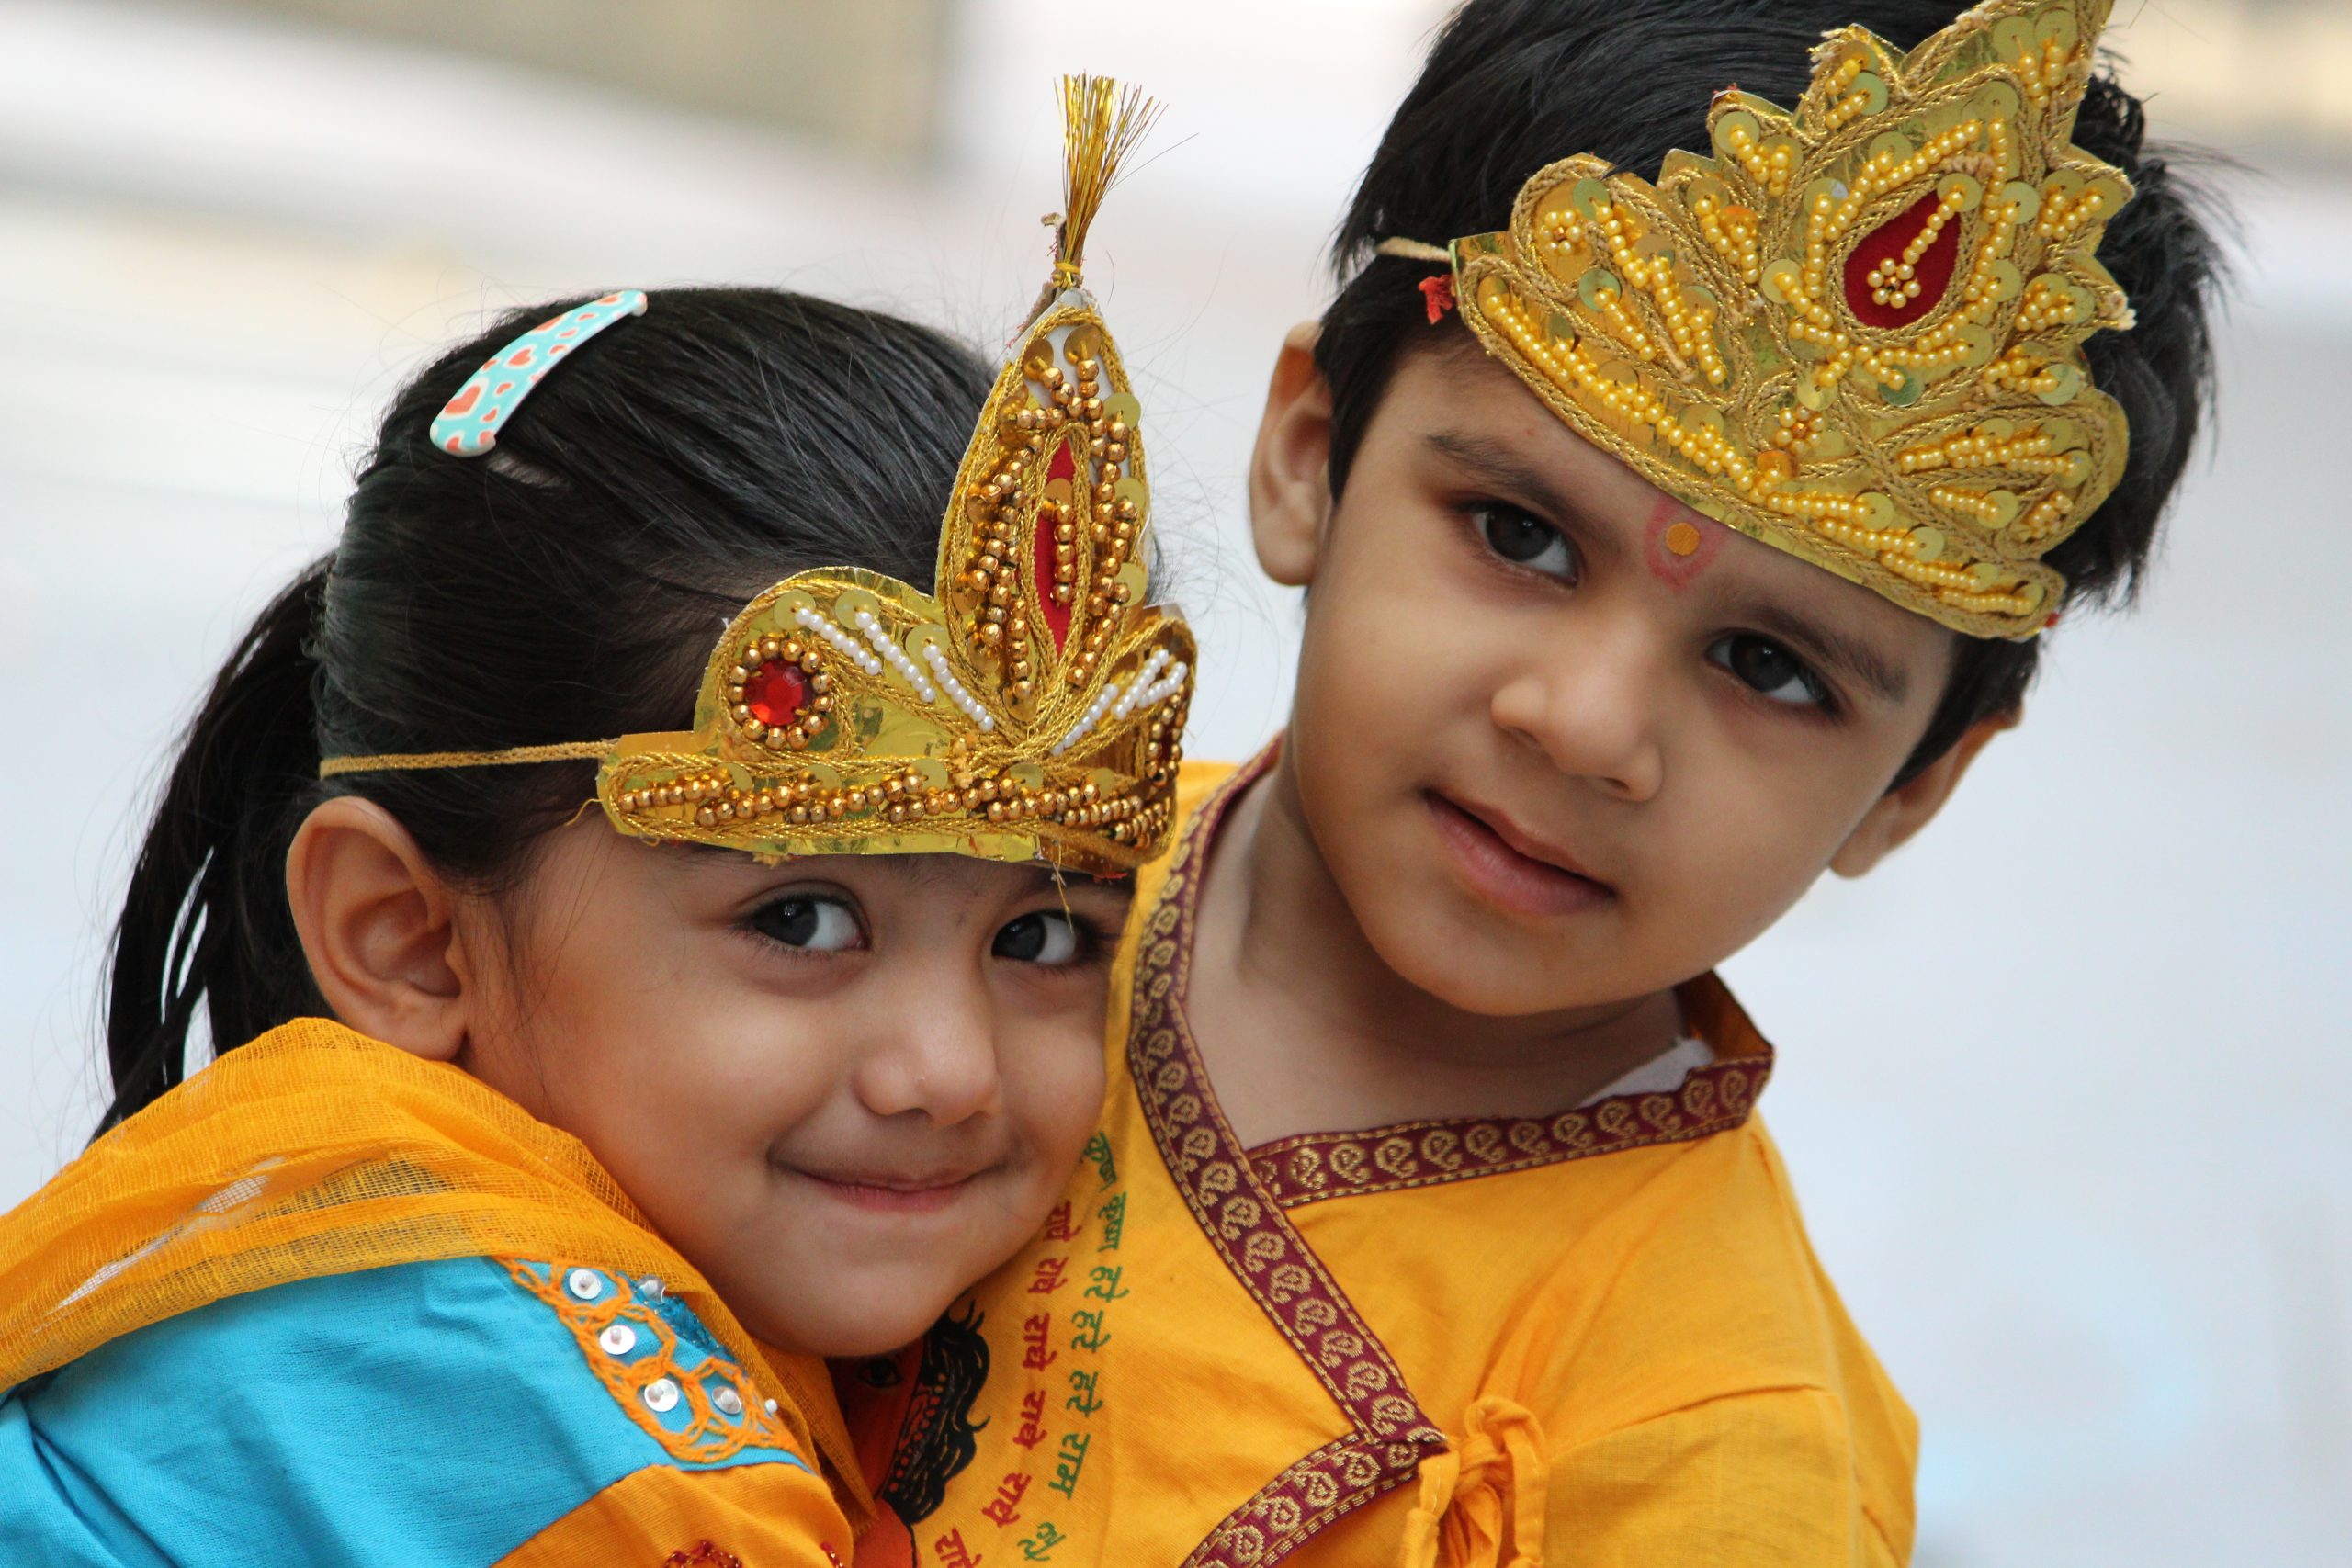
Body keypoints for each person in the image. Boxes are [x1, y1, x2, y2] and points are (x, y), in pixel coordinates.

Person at [852, 3, 2224, 1563]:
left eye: (1771, 667)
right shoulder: (941, 855)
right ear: (1310, 455)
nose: (1585, 726)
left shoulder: (1721, 1443)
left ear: (1917, 787)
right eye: (1520, 536)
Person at [0, 80, 1194, 1568]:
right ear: (407, 939)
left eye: (1044, 934)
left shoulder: (366, 1256)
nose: (946, 1071)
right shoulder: (566, 1421)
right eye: (803, 919)